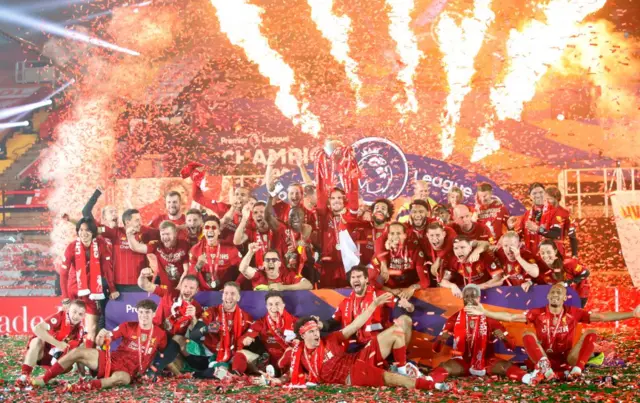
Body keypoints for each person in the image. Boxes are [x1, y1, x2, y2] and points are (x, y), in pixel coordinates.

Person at [464, 283, 640, 381]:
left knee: (592, 331)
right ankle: (546, 369)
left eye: (559, 293)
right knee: (527, 333)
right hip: (543, 358)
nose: (555, 295)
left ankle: (577, 369)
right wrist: (485, 312)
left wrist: (632, 314)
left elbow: (602, 317)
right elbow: (510, 316)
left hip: (567, 358)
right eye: (552, 292)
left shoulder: (573, 312)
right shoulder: (537, 312)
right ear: (548, 297)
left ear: (564, 298)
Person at [279, 293, 448, 391]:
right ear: (302, 336)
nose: (316, 334)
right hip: (350, 375)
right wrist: (277, 379)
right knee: (390, 379)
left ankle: (402, 368)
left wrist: (374, 304)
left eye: (316, 330)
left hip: (359, 358)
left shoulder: (330, 338)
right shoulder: (297, 354)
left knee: (397, 332)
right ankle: (429, 385)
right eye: (311, 332)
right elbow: (285, 368)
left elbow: (355, 325)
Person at [33, 299, 168, 391]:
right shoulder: (127, 326)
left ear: (154, 314)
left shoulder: (160, 334)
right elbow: (102, 342)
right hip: (112, 359)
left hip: (130, 371)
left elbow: (164, 353)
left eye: (148, 312)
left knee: (122, 378)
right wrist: (100, 337)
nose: (144, 316)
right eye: (141, 312)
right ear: (137, 312)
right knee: (77, 352)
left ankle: (87, 385)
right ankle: (45, 379)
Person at [430, 285, 536, 385]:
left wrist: (503, 338)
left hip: (486, 361)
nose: (470, 299)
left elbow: (512, 345)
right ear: (462, 298)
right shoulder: (454, 319)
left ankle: (527, 378)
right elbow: (436, 349)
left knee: (505, 366)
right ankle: (428, 380)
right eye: (466, 296)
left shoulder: (490, 318)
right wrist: (440, 340)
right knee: (446, 367)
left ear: (479, 298)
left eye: (473, 296)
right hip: (461, 361)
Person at [327, 265, 414, 348]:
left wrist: (409, 307)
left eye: (359, 277)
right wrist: (319, 325)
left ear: (366, 279)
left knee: (406, 320)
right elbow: (331, 323)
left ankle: (400, 359)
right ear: (350, 281)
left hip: (378, 344)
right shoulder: (345, 303)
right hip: (355, 347)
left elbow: (400, 307)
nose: (355, 279)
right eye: (353, 277)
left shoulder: (379, 295)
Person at [60, 218, 117, 344]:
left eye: (88, 230)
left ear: (93, 233)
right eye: (81, 230)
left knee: (92, 328)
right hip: (74, 291)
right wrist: (65, 297)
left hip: (93, 292)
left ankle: (86, 359)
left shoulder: (102, 246)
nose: (84, 233)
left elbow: (107, 270)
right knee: (70, 329)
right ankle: (65, 357)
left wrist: (112, 289)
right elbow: (63, 274)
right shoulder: (71, 247)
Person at [187, 282, 253, 378]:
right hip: (210, 354)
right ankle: (213, 371)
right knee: (184, 344)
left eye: (233, 294)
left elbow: (250, 339)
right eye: (226, 293)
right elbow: (193, 335)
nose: (229, 297)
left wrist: (249, 339)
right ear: (222, 296)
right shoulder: (211, 312)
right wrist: (207, 328)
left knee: (244, 359)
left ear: (238, 298)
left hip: (233, 355)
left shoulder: (247, 318)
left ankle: (214, 372)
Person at [17, 300, 87, 385]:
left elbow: (78, 355)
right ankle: (24, 376)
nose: (76, 316)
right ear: (68, 310)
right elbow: (37, 328)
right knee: (37, 341)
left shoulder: (81, 330)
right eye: (74, 311)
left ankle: (46, 377)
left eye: (80, 314)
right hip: (44, 353)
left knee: (81, 348)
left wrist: (82, 377)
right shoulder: (60, 317)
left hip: (59, 362)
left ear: (84, 316)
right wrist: (58, 344)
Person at [183, 162, 252, 245]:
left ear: (249, 200)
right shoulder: (222, 207)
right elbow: (197, 196)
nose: (239, 197)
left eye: (243, 195)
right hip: (222, 252)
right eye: (236, 194)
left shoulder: (253, 215)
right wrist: (196, 179)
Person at [137, 268, 202, 356]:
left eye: (191, 288)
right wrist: (142, 275)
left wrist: (193, 317)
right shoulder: (169, 293)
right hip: (155, 334)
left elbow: (197, 333)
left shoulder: (196, 307)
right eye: (185, 286)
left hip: (173, 341)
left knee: (183, 345)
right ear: (181, 286)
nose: (187, 290)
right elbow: (145, 286)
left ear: (196, 290)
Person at [234, 291, 298, 376]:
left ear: (283, 305)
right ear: (266, 307)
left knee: (292, 352)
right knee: (240, 353)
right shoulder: (261, 323)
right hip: (268, 362)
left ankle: (282, 371)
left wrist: (320, 325)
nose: (274, 307)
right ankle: (234, 375)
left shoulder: (295, 322)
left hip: (290, 360)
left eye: (277, 304)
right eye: (270, 304)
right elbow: (243, 339)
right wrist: (245, 340)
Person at [99, 209, 160, 289]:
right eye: (137, 220)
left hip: (142, 283)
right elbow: (95, 229)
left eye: (140, 220)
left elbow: (162, 233)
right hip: (120, 285)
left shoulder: (145, 231)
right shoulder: (115, 232)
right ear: (128, 222)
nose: (140, 223)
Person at [373, 222, 431, 299]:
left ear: (405, 235)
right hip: (390, 292)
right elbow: (374, 282)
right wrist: (390, 290)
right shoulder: (380, 254)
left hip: (412, 292)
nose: (395, 236)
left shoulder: (414, 250)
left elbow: (425, 281)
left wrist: (411, 288)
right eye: (392, 233)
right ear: (388, 236)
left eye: (398, 233)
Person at [127, 221, 191, 290]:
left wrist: (179, 288)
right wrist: (129, 236)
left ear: (175, 233)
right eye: (163, 234)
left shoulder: (184, 245)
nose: (165, 237)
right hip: (165, 288)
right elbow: (137, 247)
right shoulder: (157, 245)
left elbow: (187, 270)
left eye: (168, 234)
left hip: (183, 287)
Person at [189, 216, 243, 291]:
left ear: (219, 231)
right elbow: (190, 277)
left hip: (224, 293)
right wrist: (198, 266)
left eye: (214, 228)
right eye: (207, 227)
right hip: (202, 291)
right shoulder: (195, 249)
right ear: (203, 231)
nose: (210, 230)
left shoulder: (230, 249)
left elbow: (244, 269)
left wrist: (236, 284)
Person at [537, 240, 590, 307]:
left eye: (548, 252)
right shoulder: (542, 268)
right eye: (542, 253)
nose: (545, 255)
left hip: (579, 294)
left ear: (555, 251)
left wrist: (566, 283)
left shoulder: (568, 263)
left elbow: (586, 273)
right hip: (561, 296)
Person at [234, 201, 287, 268]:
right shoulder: (252, 230)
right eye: (255, 213)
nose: (259, 214)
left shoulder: (278, 228)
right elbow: (237, 241)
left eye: (262, 212)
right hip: (260, 271)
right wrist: (244, 219)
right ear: (253, 216)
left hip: (278, 271)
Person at [239, 244, 313, 291]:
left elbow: (308, 285)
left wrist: (283, 288)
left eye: (274, 260)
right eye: (267, 260)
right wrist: (250, 252)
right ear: (264, 264)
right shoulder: (258, 275)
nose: (270, 262)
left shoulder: (287, 275)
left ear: (279, 264)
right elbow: (242, 269)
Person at [347, 198, 393, 267]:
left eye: (383, 209)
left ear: (388, 214)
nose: (379, 210)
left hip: (387, 273)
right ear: (372, 213)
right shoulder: (363, 227)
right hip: (364, 273)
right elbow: (348, 223)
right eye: (376, 208)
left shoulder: (393, 231)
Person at [510, 182, 545, 255]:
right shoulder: (526, 215)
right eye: (534, 193)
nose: (538, 195)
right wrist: (511, 228)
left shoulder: (553, 212)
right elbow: (517, 237)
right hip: (530, 259)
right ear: (530, 196)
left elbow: (556, 234)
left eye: (541, 192)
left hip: (548, 258)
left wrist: (538, 229)